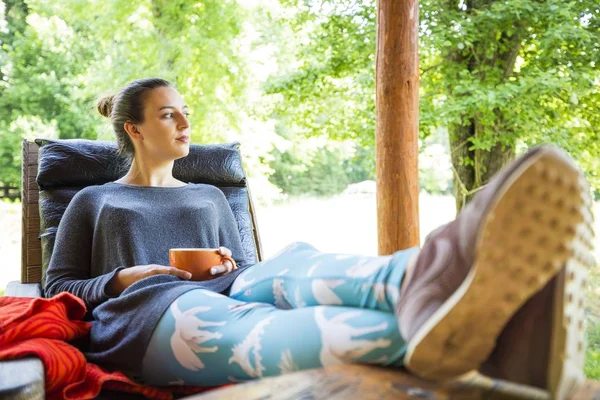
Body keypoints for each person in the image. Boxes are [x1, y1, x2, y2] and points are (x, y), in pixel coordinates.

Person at [44, 78, 596, 398]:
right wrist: (123, 275)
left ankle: (442, 269)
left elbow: (245, 269)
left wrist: (225, 264)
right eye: (168, 115)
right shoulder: (96, 200)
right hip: (147, 318)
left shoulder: (210, 195)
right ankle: (515, 339)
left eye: (186, 113)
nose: (185, 123)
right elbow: (57, 288)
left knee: (291, 265)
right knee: (306, 329)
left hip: (229, 287)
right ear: (135, 130)